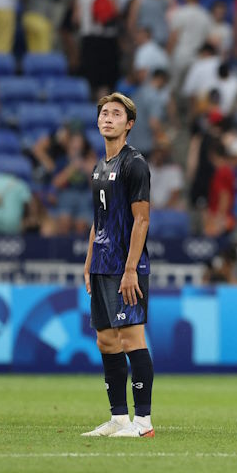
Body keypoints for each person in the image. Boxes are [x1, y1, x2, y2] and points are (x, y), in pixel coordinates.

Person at [81, 93, 154, 438]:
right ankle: (119, 418)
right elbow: (99, 220)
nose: (108, 118)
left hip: (126, 267)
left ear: (129, 124)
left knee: (131, 338)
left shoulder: (134, 164)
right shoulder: (99, 166)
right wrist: (89, 260)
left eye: (116, 114)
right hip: (102, 264)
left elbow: (141, 220)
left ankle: (143, 422)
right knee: (106, 341)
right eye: (104, 113)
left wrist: (130, 268)